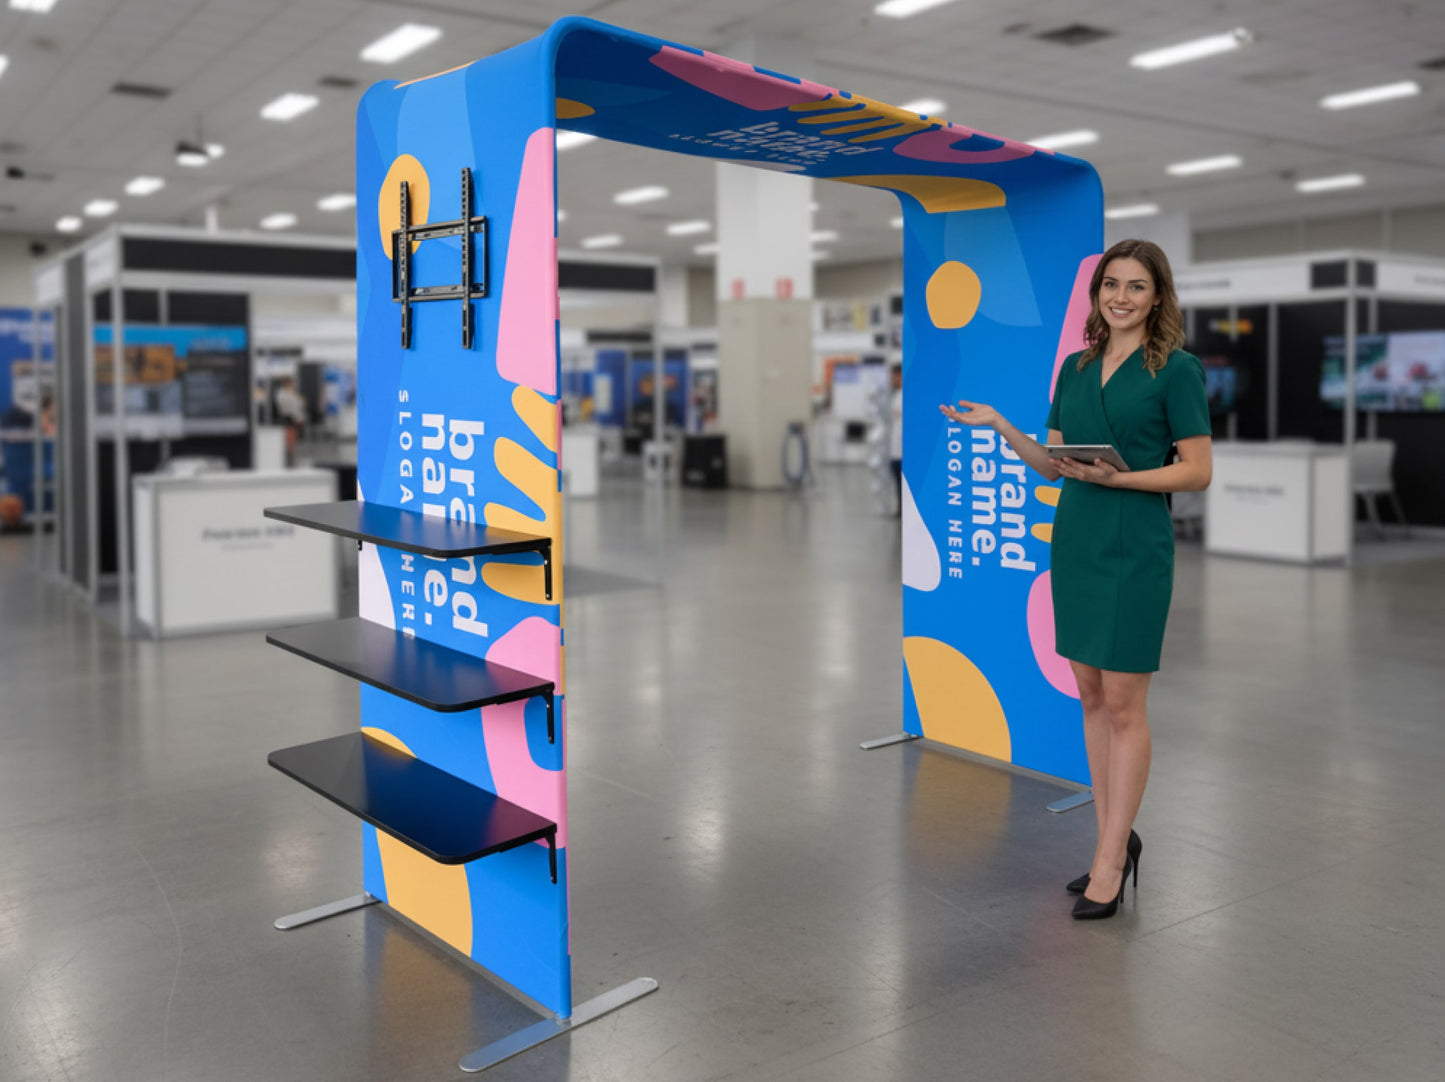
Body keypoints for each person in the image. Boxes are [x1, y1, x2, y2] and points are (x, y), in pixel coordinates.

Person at [939, 239, 1212, 920]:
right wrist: (1000, 426)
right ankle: (1111, 838)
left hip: (1133, 544)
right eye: (1110, 284)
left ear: (1157, 297)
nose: (1120, 297)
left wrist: (1123, 478)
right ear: (1096, 295)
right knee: (1089, 695)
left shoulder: (1175, 370)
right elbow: (1052, 464)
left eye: (1136, 287)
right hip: (1079, 539)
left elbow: (1196, 471)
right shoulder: (1075, 366)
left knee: (1124, 705)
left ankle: (1111, 860)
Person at [888, 363, 903, 515]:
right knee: (897, 483)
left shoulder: (907, 397)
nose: (892, 380)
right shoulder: (896, 396)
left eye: (894, 377)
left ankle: (903, 510)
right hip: (895, 450)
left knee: (903, 484)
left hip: (903, 452)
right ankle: (899, 508)